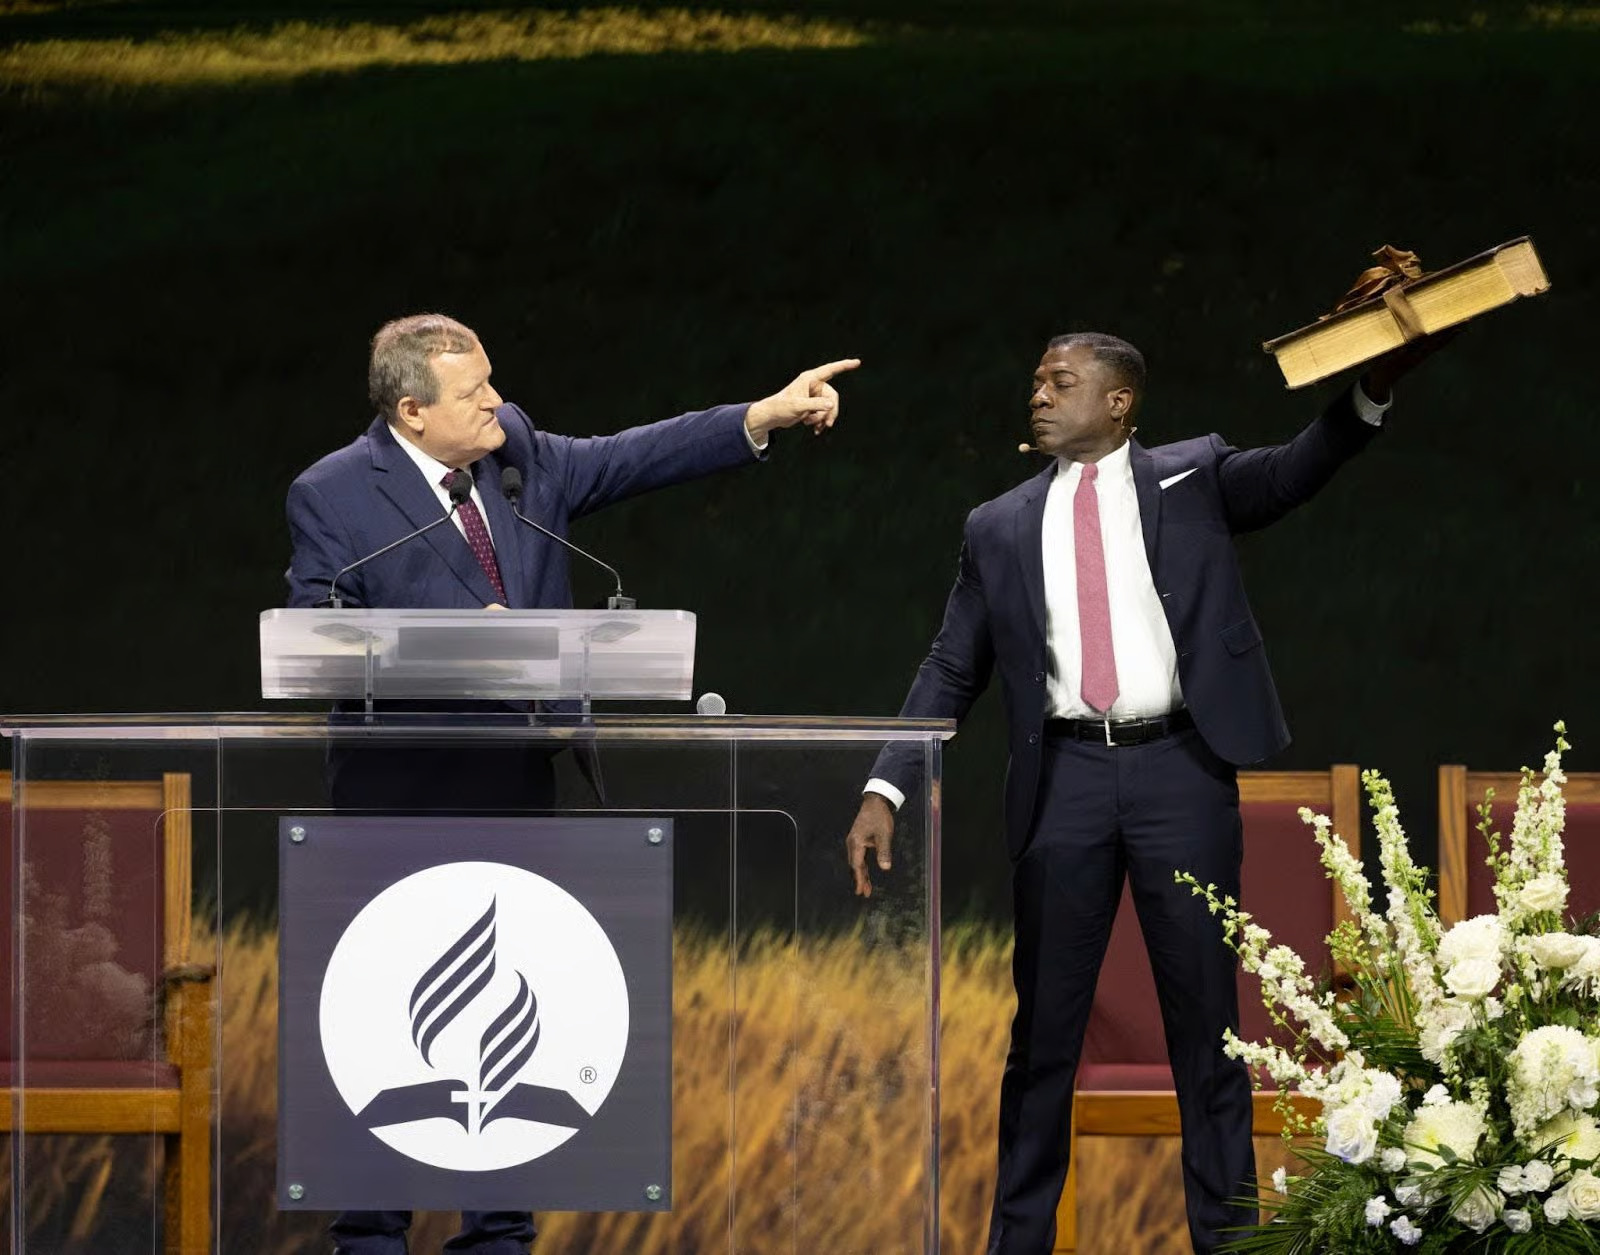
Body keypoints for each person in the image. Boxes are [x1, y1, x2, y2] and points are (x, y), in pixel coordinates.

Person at [843, 329, 1449, 1254]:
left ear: (1119, 401)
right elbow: (948, 662)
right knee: (1043, 1040)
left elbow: (1291, 472)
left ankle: (1229, 1241)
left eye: (1061, 380)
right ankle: (1019, 1242)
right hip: (1065, 781)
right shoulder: (997, 525)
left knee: (1209, 1032)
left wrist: (1367, 391)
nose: (1038, 394)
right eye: (1036, 379)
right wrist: (886, 780)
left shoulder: (1192, 475)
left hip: (1180, 770)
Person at [285, 312, 858, 1255]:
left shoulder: (522, 459)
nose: (497, 406)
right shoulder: (334, 493)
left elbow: (637, 454)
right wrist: (461, 648)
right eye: (474, 393)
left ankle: (499, 1234)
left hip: (513, 785)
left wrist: (763, 414)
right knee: (388, 1024)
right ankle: (373, 1235)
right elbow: (318, 636)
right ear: (412, 410)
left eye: (494, 383)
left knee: (512, 1017)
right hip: (396, 797)